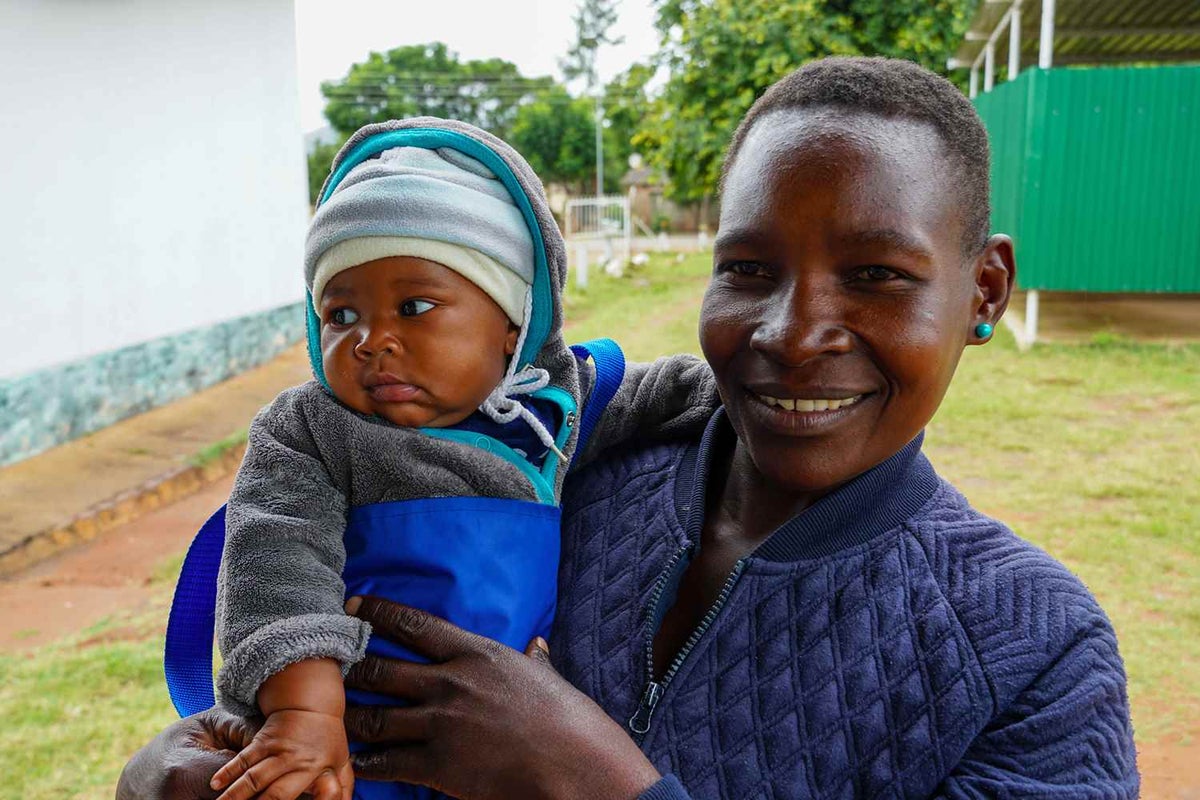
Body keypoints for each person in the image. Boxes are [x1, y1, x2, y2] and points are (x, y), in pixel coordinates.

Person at [120, 57, 1139, 800]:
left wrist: (596, 781)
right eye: (747, 269)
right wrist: (175, 767)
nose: (792, 333)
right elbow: (303, 593)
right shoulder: (579, 469)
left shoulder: (1035, 654)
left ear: (986, 289)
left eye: (876, 275)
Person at [198, 118, 715, 800]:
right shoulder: (312, 431)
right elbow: (277, 565)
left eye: (414, 307)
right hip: (350, 746)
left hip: (507, 746)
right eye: (340, 314)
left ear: (512, 323)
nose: (371, 340)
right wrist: (303, 712)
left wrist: (740, 389)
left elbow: (669, 391)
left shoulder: (554, 408)